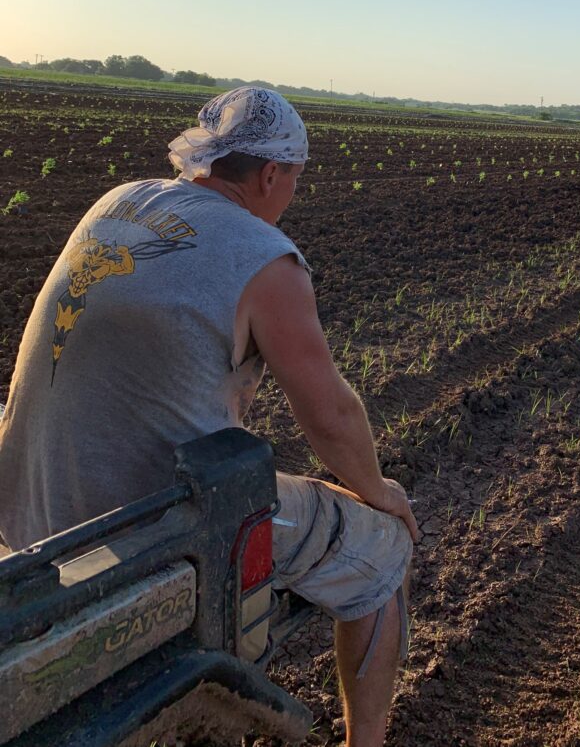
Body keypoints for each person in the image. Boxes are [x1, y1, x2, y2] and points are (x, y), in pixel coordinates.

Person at [0, 86, 418, 747]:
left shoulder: (118, 202)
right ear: (272, 173)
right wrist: (378, 491)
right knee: (382, 546)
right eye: (294, 181)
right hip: (146, 533)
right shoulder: (263, 257)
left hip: (26, 506)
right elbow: (332, 417)